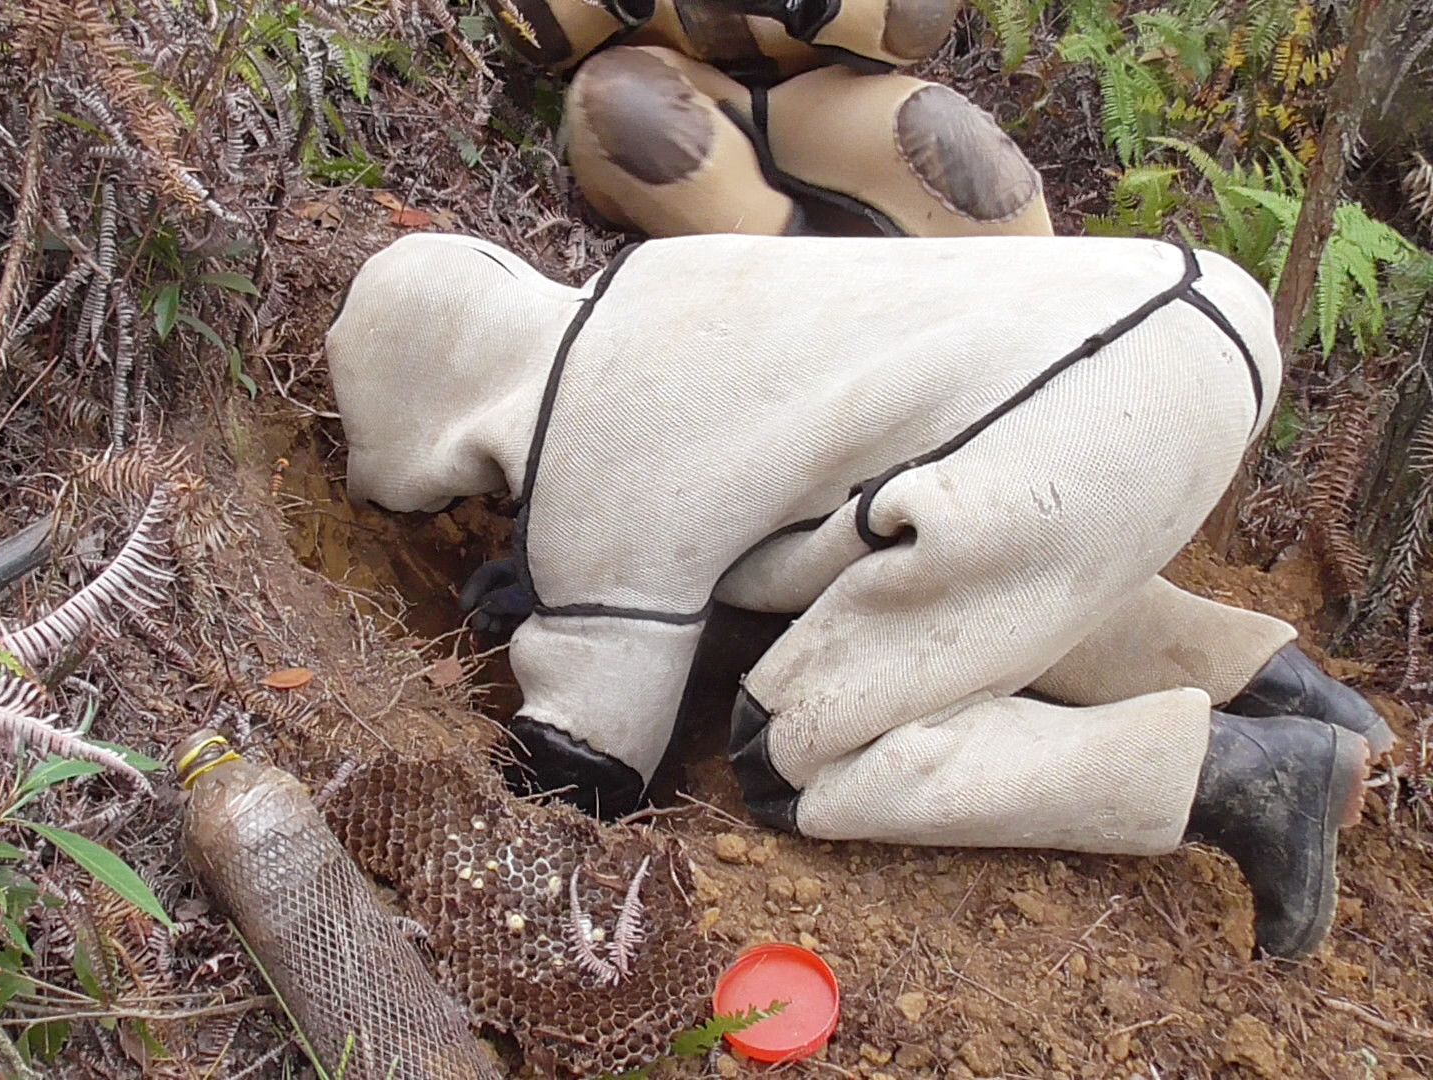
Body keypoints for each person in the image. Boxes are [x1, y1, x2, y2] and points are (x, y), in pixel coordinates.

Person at [324, 230, 1394, 961]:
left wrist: (518, 772)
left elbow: (597, 753)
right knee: (1008, 570)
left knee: (799, 751)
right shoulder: (660, 278)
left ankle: (1247, 776)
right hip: (1188, 321)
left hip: (1089, 411)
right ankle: (1291, 693)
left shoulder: (587, 447)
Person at [481, 0, 1054, 238]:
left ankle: (1062, 331)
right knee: (628, 113)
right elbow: (531, 29)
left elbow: (914, 21)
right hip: (669, 82)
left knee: (958, 151)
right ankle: (798, 302)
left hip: (823, 100)